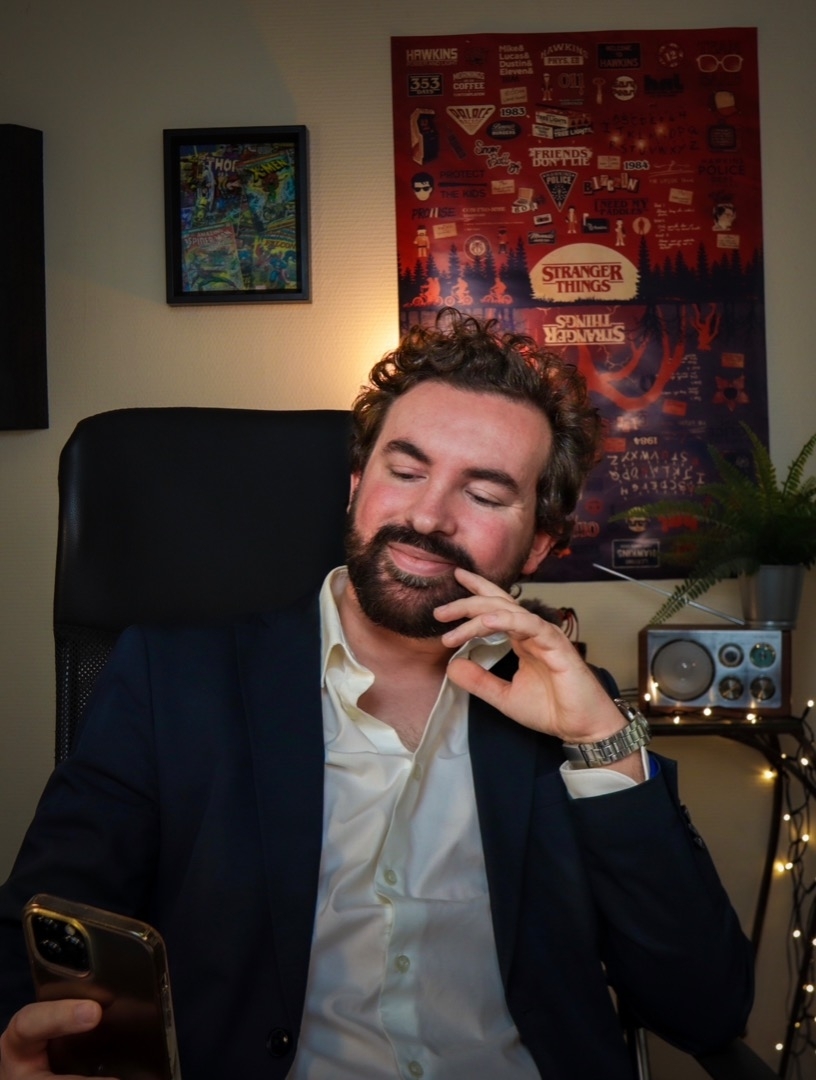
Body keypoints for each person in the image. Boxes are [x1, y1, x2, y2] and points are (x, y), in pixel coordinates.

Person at [0, 310, 753, 1078]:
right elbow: (31, 941)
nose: (428, 516)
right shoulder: (172, 682)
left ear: (539, 545)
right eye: (406, 470)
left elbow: (704, 1008)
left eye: (484, 493)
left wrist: (602, 745)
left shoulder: (571, 709)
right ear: (358, 486)